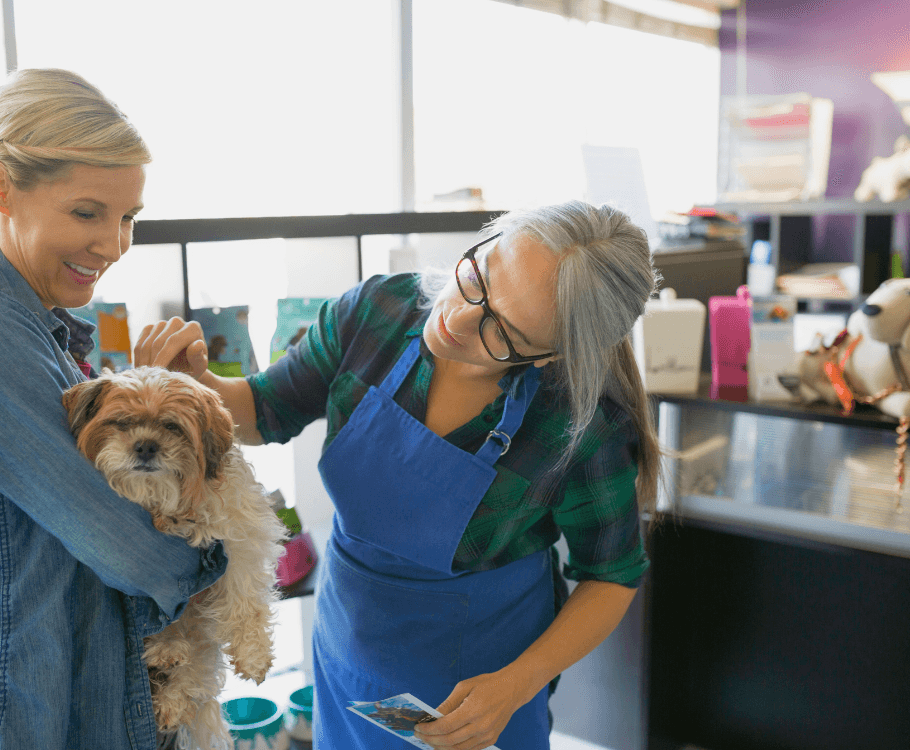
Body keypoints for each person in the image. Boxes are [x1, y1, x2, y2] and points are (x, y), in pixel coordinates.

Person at [137, 200, 661, 750]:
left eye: (501, 333)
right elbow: (264, 410)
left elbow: (611, 575)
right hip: (349, 652)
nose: (456, 320)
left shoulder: (578, 421)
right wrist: (196, 383)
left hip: (479, 694)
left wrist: (514, 686)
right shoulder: (378, 312)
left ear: (551, 356)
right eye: (475, 277)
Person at [0, 69, 227, 750]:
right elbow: (123, 544)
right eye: (87, 213)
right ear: (0, 187)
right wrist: (221, 571)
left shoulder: (37, 329)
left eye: (127, 218)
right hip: (15, 720)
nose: (113, 244)